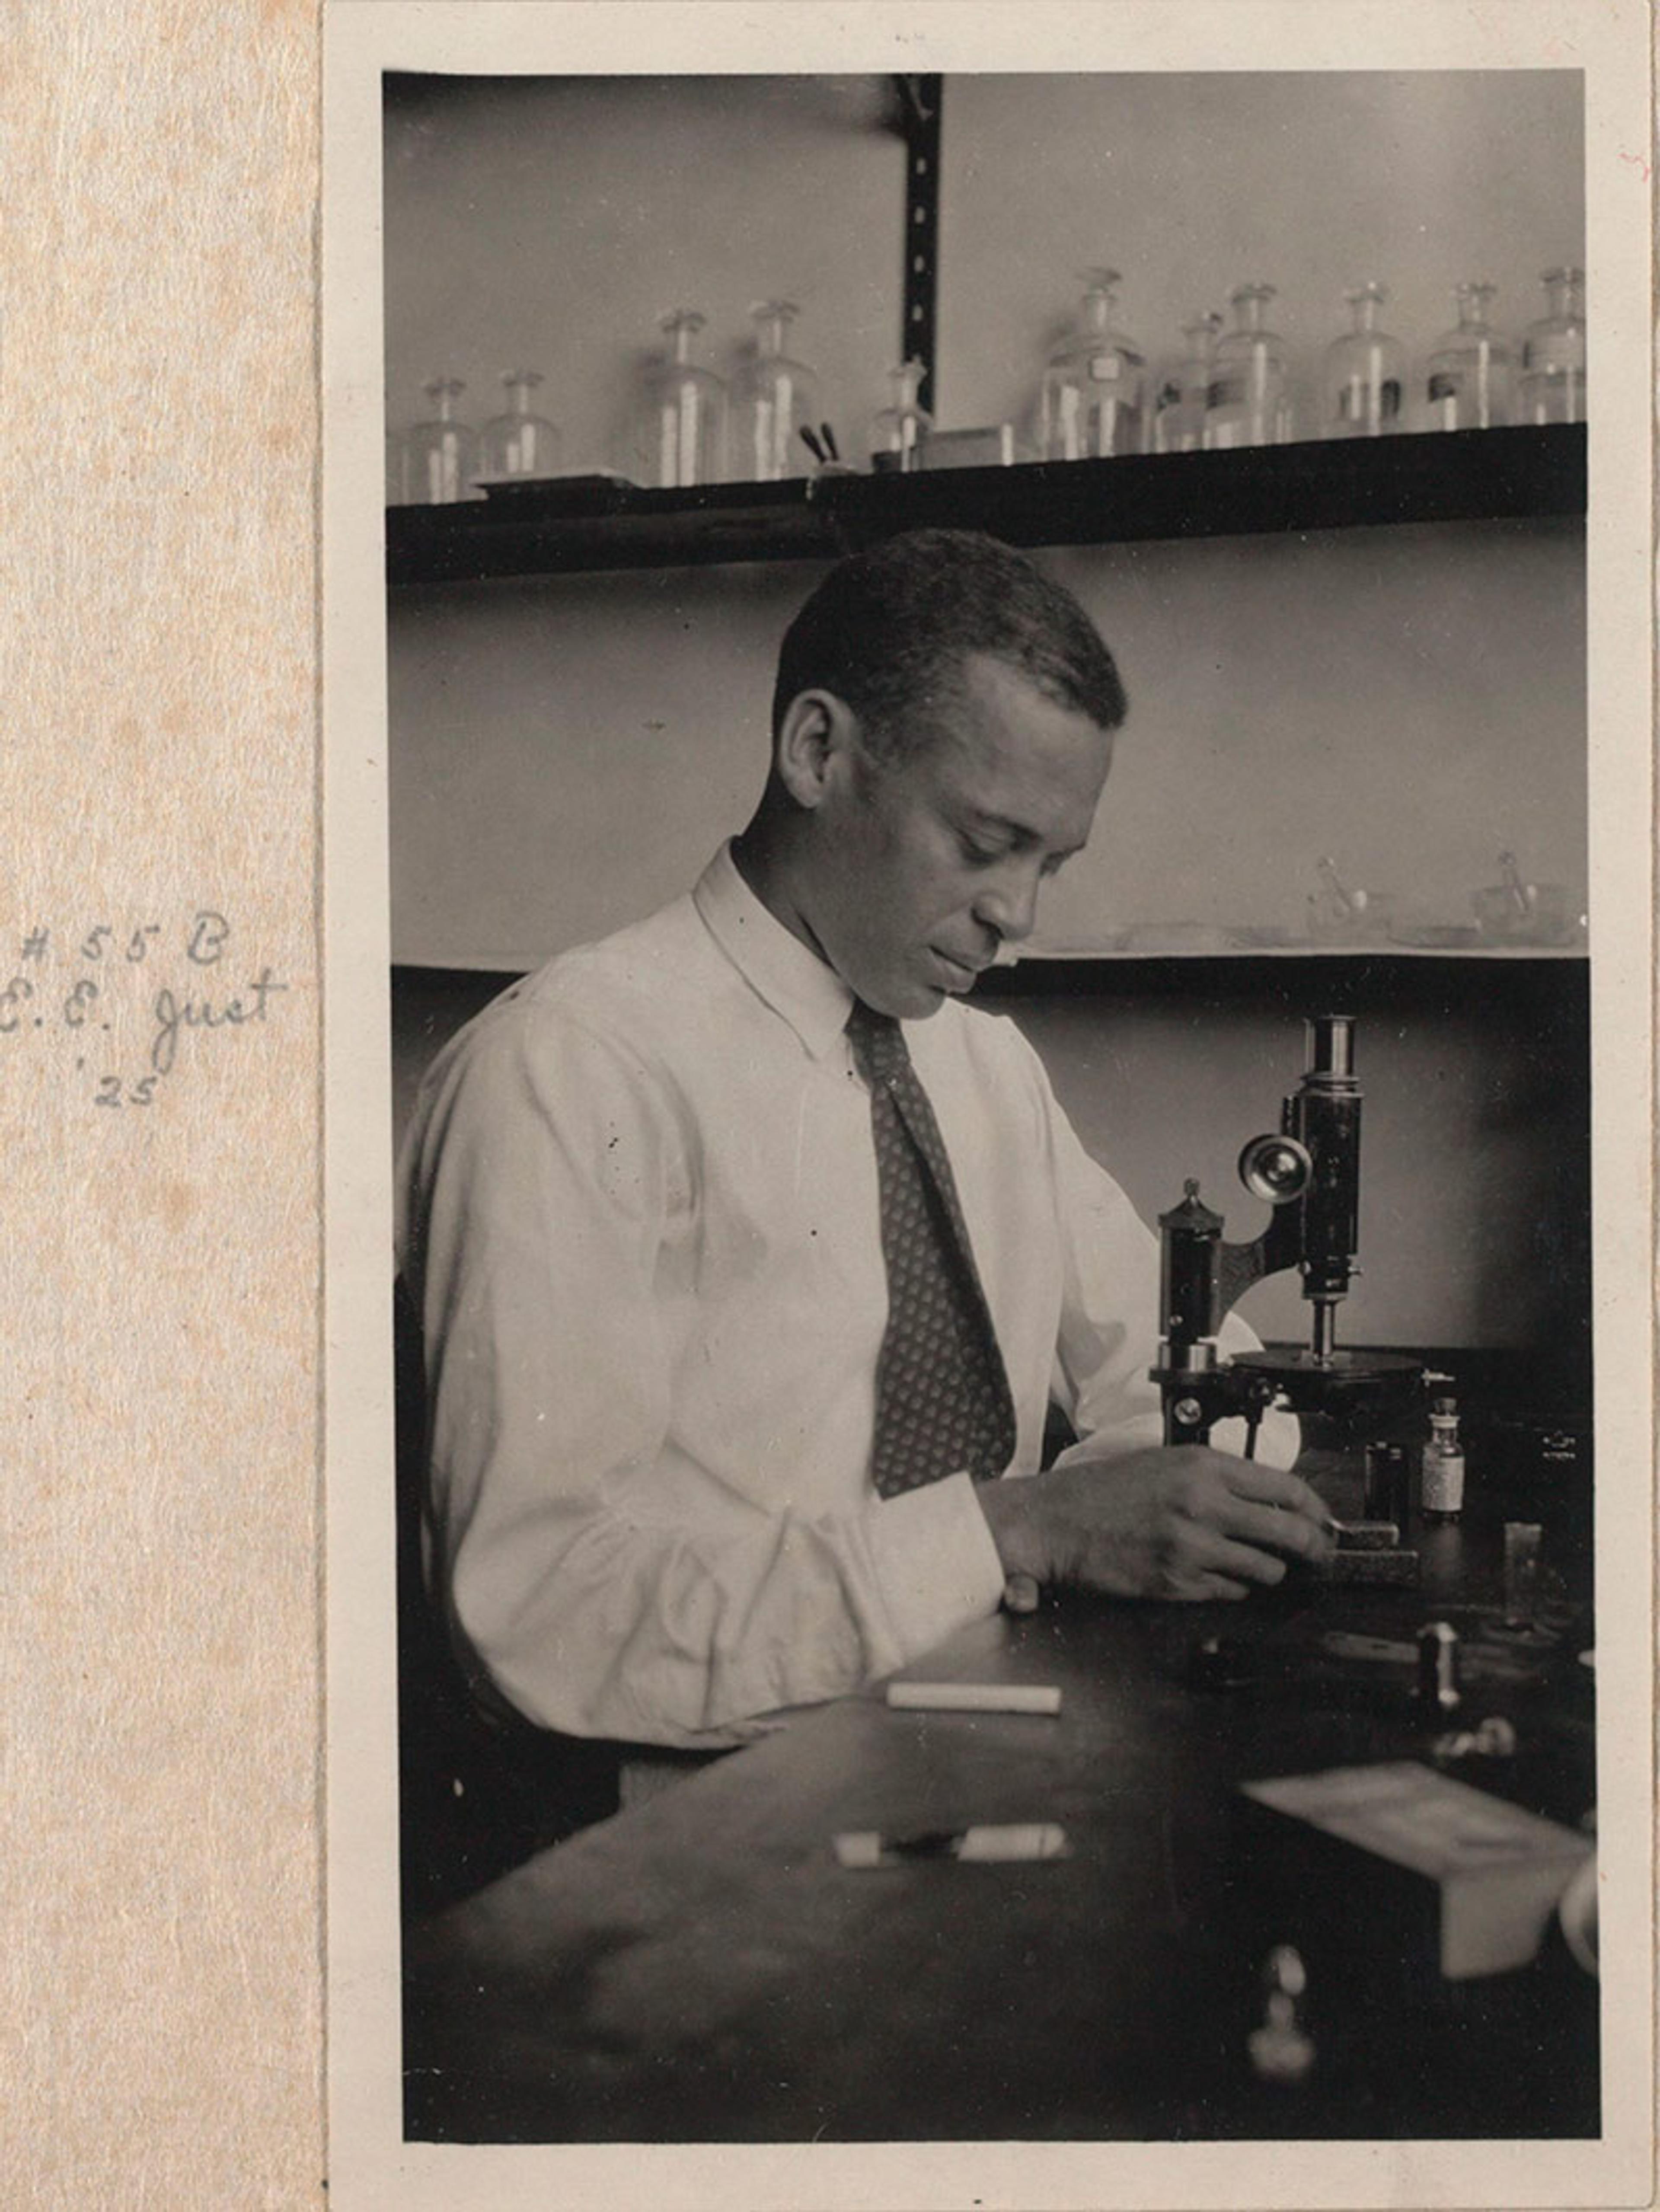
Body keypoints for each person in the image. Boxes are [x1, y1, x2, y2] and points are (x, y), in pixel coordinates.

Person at [396, 529, 1327, 1779]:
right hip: (683, 1819)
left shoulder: (986, 1069)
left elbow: (1186, 1378)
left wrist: (1151, 1503)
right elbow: (545, 1614)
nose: (1021, 916)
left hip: (979, 1745)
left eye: (1052, 864)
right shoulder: (570, 1071)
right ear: (819, 752)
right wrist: (1017, 1535)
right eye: (986, 843)